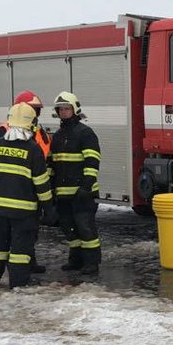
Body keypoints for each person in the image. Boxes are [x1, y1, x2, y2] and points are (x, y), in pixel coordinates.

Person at [0, 102, 56, 288]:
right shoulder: (33, 149)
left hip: (0, 209)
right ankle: (17, 284)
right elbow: (41, 182)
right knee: (20, 251)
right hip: (24, 212)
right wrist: (48, 208)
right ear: (30, 123)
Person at [49, 91, 101, 275]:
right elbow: (52, 164)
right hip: (63, 193)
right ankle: (76, 260)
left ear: (74, 110)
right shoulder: (57, 136)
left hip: (82, 193)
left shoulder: (85, 133)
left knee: (86, 229)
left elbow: (92, 161)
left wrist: (87, 186)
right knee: (69, 229)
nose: (63, 112)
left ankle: (92, 262)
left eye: (67, 108)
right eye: (61, 109)